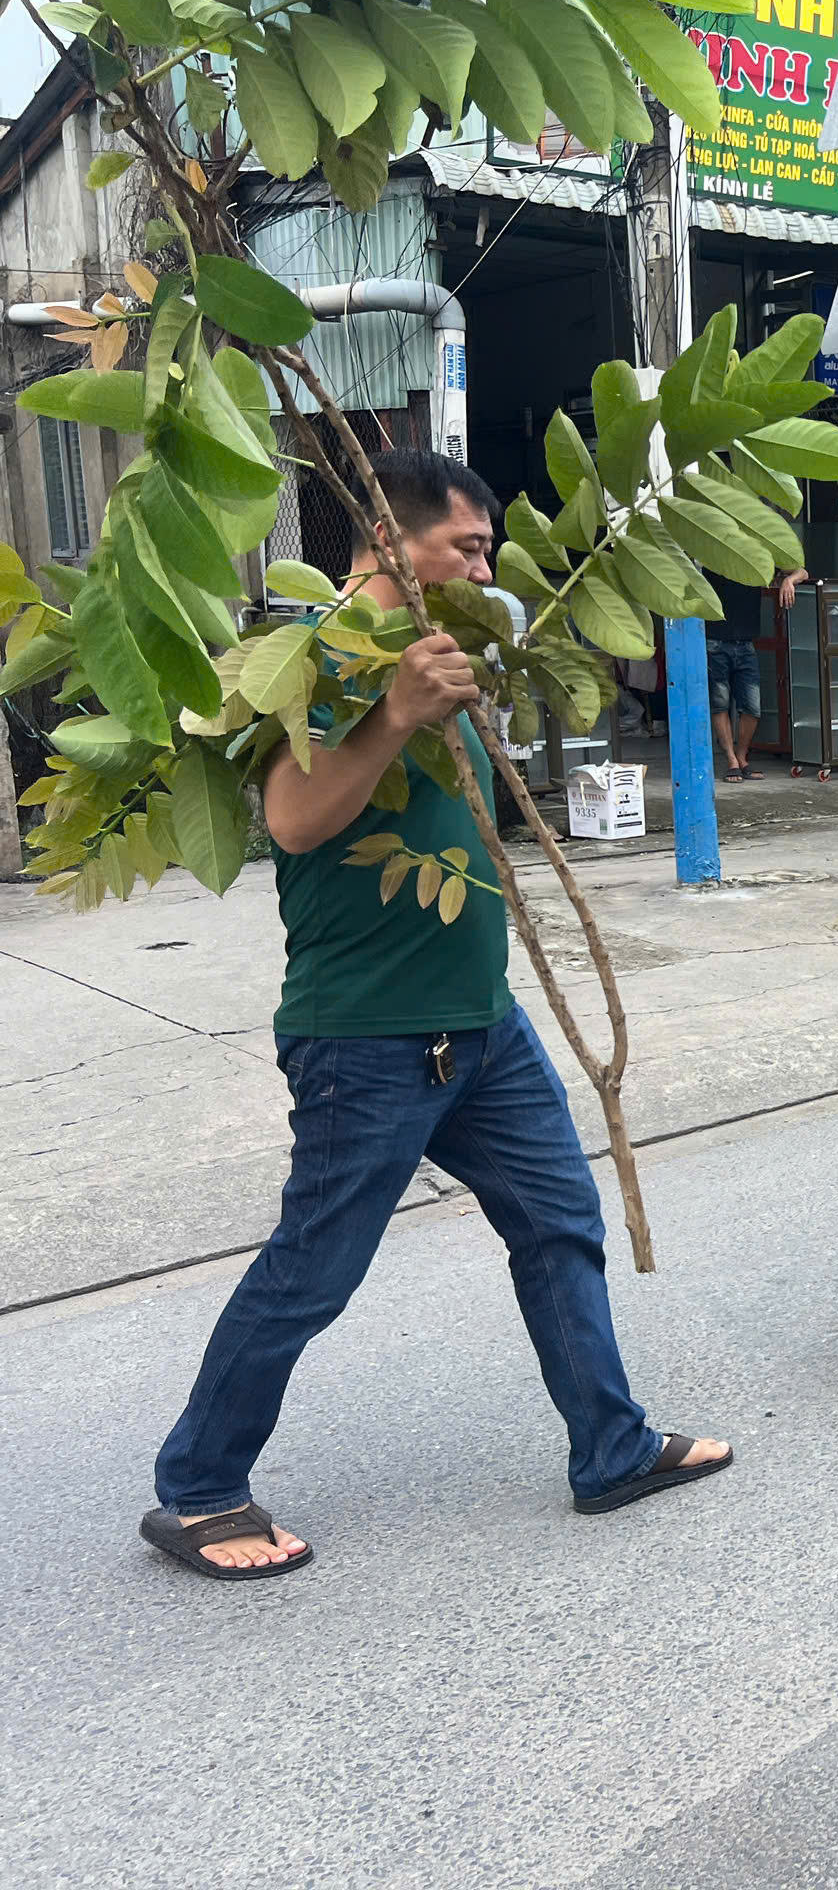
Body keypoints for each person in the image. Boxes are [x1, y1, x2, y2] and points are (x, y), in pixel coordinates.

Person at [140, 449, 731, 1581]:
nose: (484, 568)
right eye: (465, 546)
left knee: (559, 1224)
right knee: (314, 1269)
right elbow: (297, 819)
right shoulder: (316, 661)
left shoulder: (441, 656)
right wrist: (396, 714)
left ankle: (609, 1448)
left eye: (489, 551)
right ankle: (200, 1489)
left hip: (480, 1023)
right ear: (385, 537)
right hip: (367, 1036)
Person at [706, 567, 806, 781]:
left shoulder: (754, 559)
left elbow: (802, 571)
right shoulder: (711, 558)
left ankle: (742, 756)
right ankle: (732, 759)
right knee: (720, 703)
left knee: (752, 707)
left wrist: (789, 580)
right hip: (715, 639)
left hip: (746, 642)